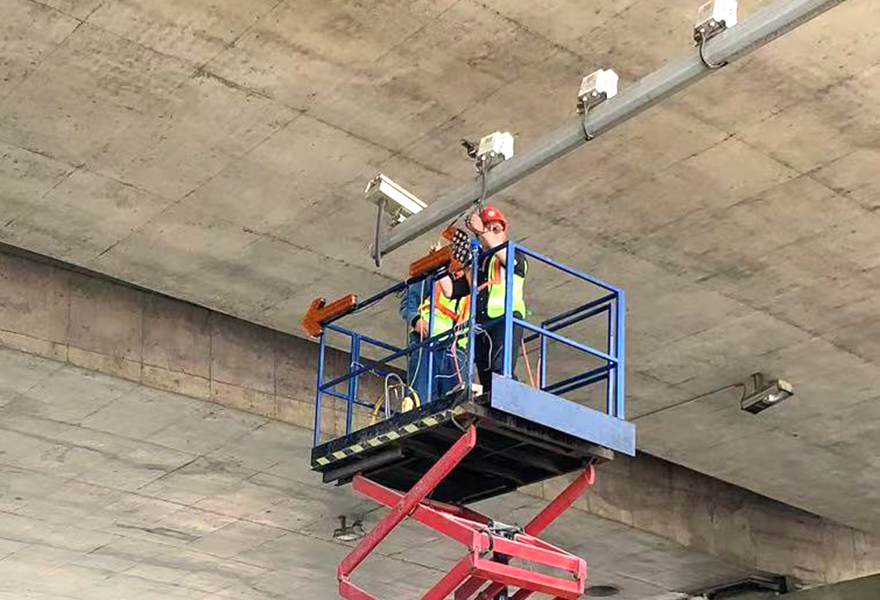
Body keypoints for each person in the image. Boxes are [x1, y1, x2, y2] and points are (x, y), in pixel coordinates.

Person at [441, 205, 526, 395]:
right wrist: (439, 266)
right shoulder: (479, 265)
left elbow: (509, 261)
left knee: (500, 369)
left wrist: (482, 231)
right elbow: (451, 291)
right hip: (482, 325)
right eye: (488, 228)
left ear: (504, 233)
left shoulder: (514, 253)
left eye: (496, 229)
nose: (491, 233)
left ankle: (512, 400)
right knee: (486, 377)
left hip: (505, 319)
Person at [399, 245, 470, 405]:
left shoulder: (472, 284)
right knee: (420, 401)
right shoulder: (433, 277)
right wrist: (416, 320)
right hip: (427, 344)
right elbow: (408, 303)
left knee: (455, 404)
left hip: (456, 351)